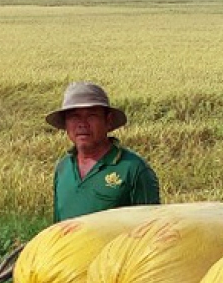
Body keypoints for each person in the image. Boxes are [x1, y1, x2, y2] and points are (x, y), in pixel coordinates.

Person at [48, 81, 160, 222]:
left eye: (91, 116)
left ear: (108, 121)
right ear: (66, 124)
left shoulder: (133, 169)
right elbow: (57, 227)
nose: (82, 124)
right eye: (74, 117)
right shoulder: (63, 168)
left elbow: (150, 229)